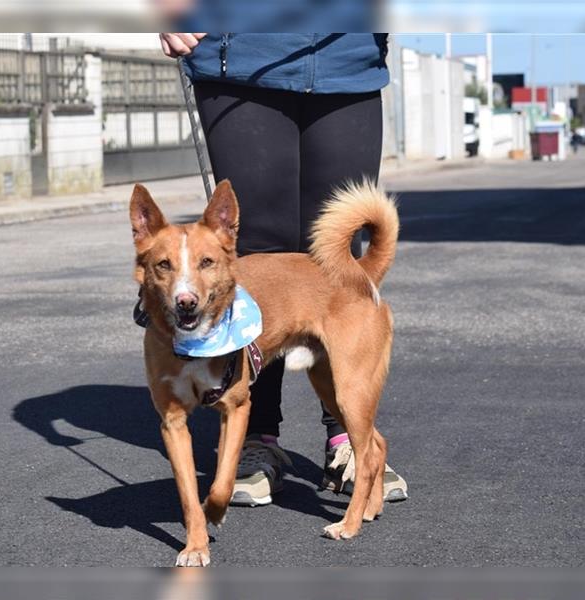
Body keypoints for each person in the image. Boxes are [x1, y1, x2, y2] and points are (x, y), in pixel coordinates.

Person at [159, 33, 408, 507]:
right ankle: (256, 435)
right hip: (242, 51)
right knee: (255, 250)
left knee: (336, 255)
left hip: (346, 52)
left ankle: (348, 439)